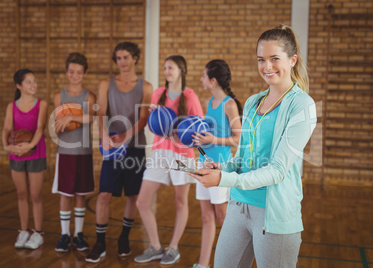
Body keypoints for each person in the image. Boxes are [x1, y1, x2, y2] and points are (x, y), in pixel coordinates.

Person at [188, 24, 317, 268]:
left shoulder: (302, 105)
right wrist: (221, 167)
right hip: (238, 207)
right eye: (261, 59)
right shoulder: (252, 102)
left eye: (274, 58)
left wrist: (223, 180)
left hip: (273, 214)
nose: (266, 67)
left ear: (292, 60)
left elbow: (278, 170)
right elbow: (243, 158)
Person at [85, 42, 153, 263]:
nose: (122, 62)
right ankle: (100, 242)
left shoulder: (146, 86)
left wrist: (126, 136)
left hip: (135, 147)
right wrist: (104, 134)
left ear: (135, 58)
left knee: (132, 196)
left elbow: (143, 117)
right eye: (118, 58)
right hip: (112, 146)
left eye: (126, 57)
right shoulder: (107, 83)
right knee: (104, 193)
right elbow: (102, 111)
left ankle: (124, 237)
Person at [134, 55, 203, 265]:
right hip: (159, 153)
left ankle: (173, 248)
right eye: (164, 68)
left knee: (180, 202)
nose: (166, 72)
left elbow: (199, 131)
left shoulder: (190, 97)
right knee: (142, 201)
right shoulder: (158, 93)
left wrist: (177, 134)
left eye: (170, 68)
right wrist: (155, 118)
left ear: (181, 70)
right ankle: (155, 246)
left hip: (182, 155)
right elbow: (153, 126)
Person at [191, 59, 242, 268]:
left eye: (204, 76)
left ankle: (233, 263)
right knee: (206, 217)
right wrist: (199, 140)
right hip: (203, 164)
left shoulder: (229, 104)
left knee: (223, 218)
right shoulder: (208, 102)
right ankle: (203, 264)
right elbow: (208, 134)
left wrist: (213, 140)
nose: (201, 79)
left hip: (220, 168)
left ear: (213, 80)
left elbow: (239, 139)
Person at [52, 52, 96, 252]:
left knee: (81, 193)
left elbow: (91, 118)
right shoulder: (59, 96)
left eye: (79, 72)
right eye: (71, 72)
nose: (75, 75)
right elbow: (57, 122)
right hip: (66, 151)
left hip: (84, 152)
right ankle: (64, 235)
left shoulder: (89, 96)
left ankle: (78, 234)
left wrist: (71, 118)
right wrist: (64, 120)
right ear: (66, 72)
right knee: (65, 193)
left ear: (84, 73)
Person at [2, 69, 48, 250]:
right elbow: (6, 129)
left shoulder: (42, 104)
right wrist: (7, 146)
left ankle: (38, 233)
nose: (33, 85)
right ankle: (23, 231)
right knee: (21, 194)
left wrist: (30, 146)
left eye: (34, 81)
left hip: (36, 152)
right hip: (16, 152)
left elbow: (40, 128)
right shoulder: (11, 106)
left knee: (36, 195)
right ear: (19, 86)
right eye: (29, 82)